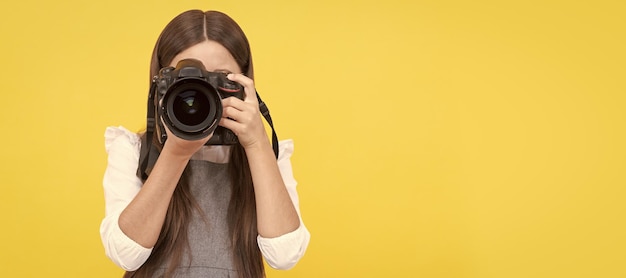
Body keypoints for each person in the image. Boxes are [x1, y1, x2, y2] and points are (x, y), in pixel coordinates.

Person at [99, 10, 310, 278]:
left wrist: (256, 144)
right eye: (188, 79)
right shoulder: (132, 149)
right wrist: (175, 153)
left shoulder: (263, 156)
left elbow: (284, 255)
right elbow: (125, 253)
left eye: (219, 77)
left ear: (245, 83)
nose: (202, 93)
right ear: (161, 84)